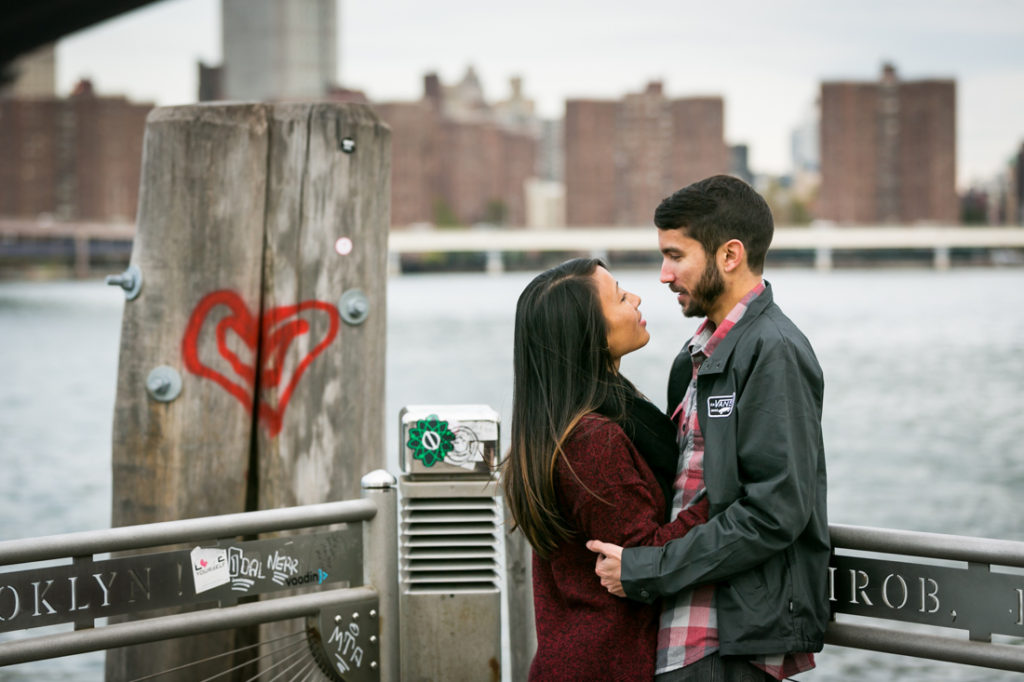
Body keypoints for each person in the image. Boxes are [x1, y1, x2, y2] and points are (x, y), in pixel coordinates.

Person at [586, 175, 830, 681]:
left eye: (676, 255)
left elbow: (775, 511)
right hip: (679, 635)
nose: (663, 274)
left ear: (730, 255)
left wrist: (646, 569)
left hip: (730, 642)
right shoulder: (694, 358)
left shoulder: (774, 350)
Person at [502, 257, 710, 681]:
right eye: (618, 296)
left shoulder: (565, 424)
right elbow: (641, 554)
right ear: (588, 333)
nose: (635, 299)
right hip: (605, 662)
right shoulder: (591, 440)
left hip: (580, 655)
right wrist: (725, 500)